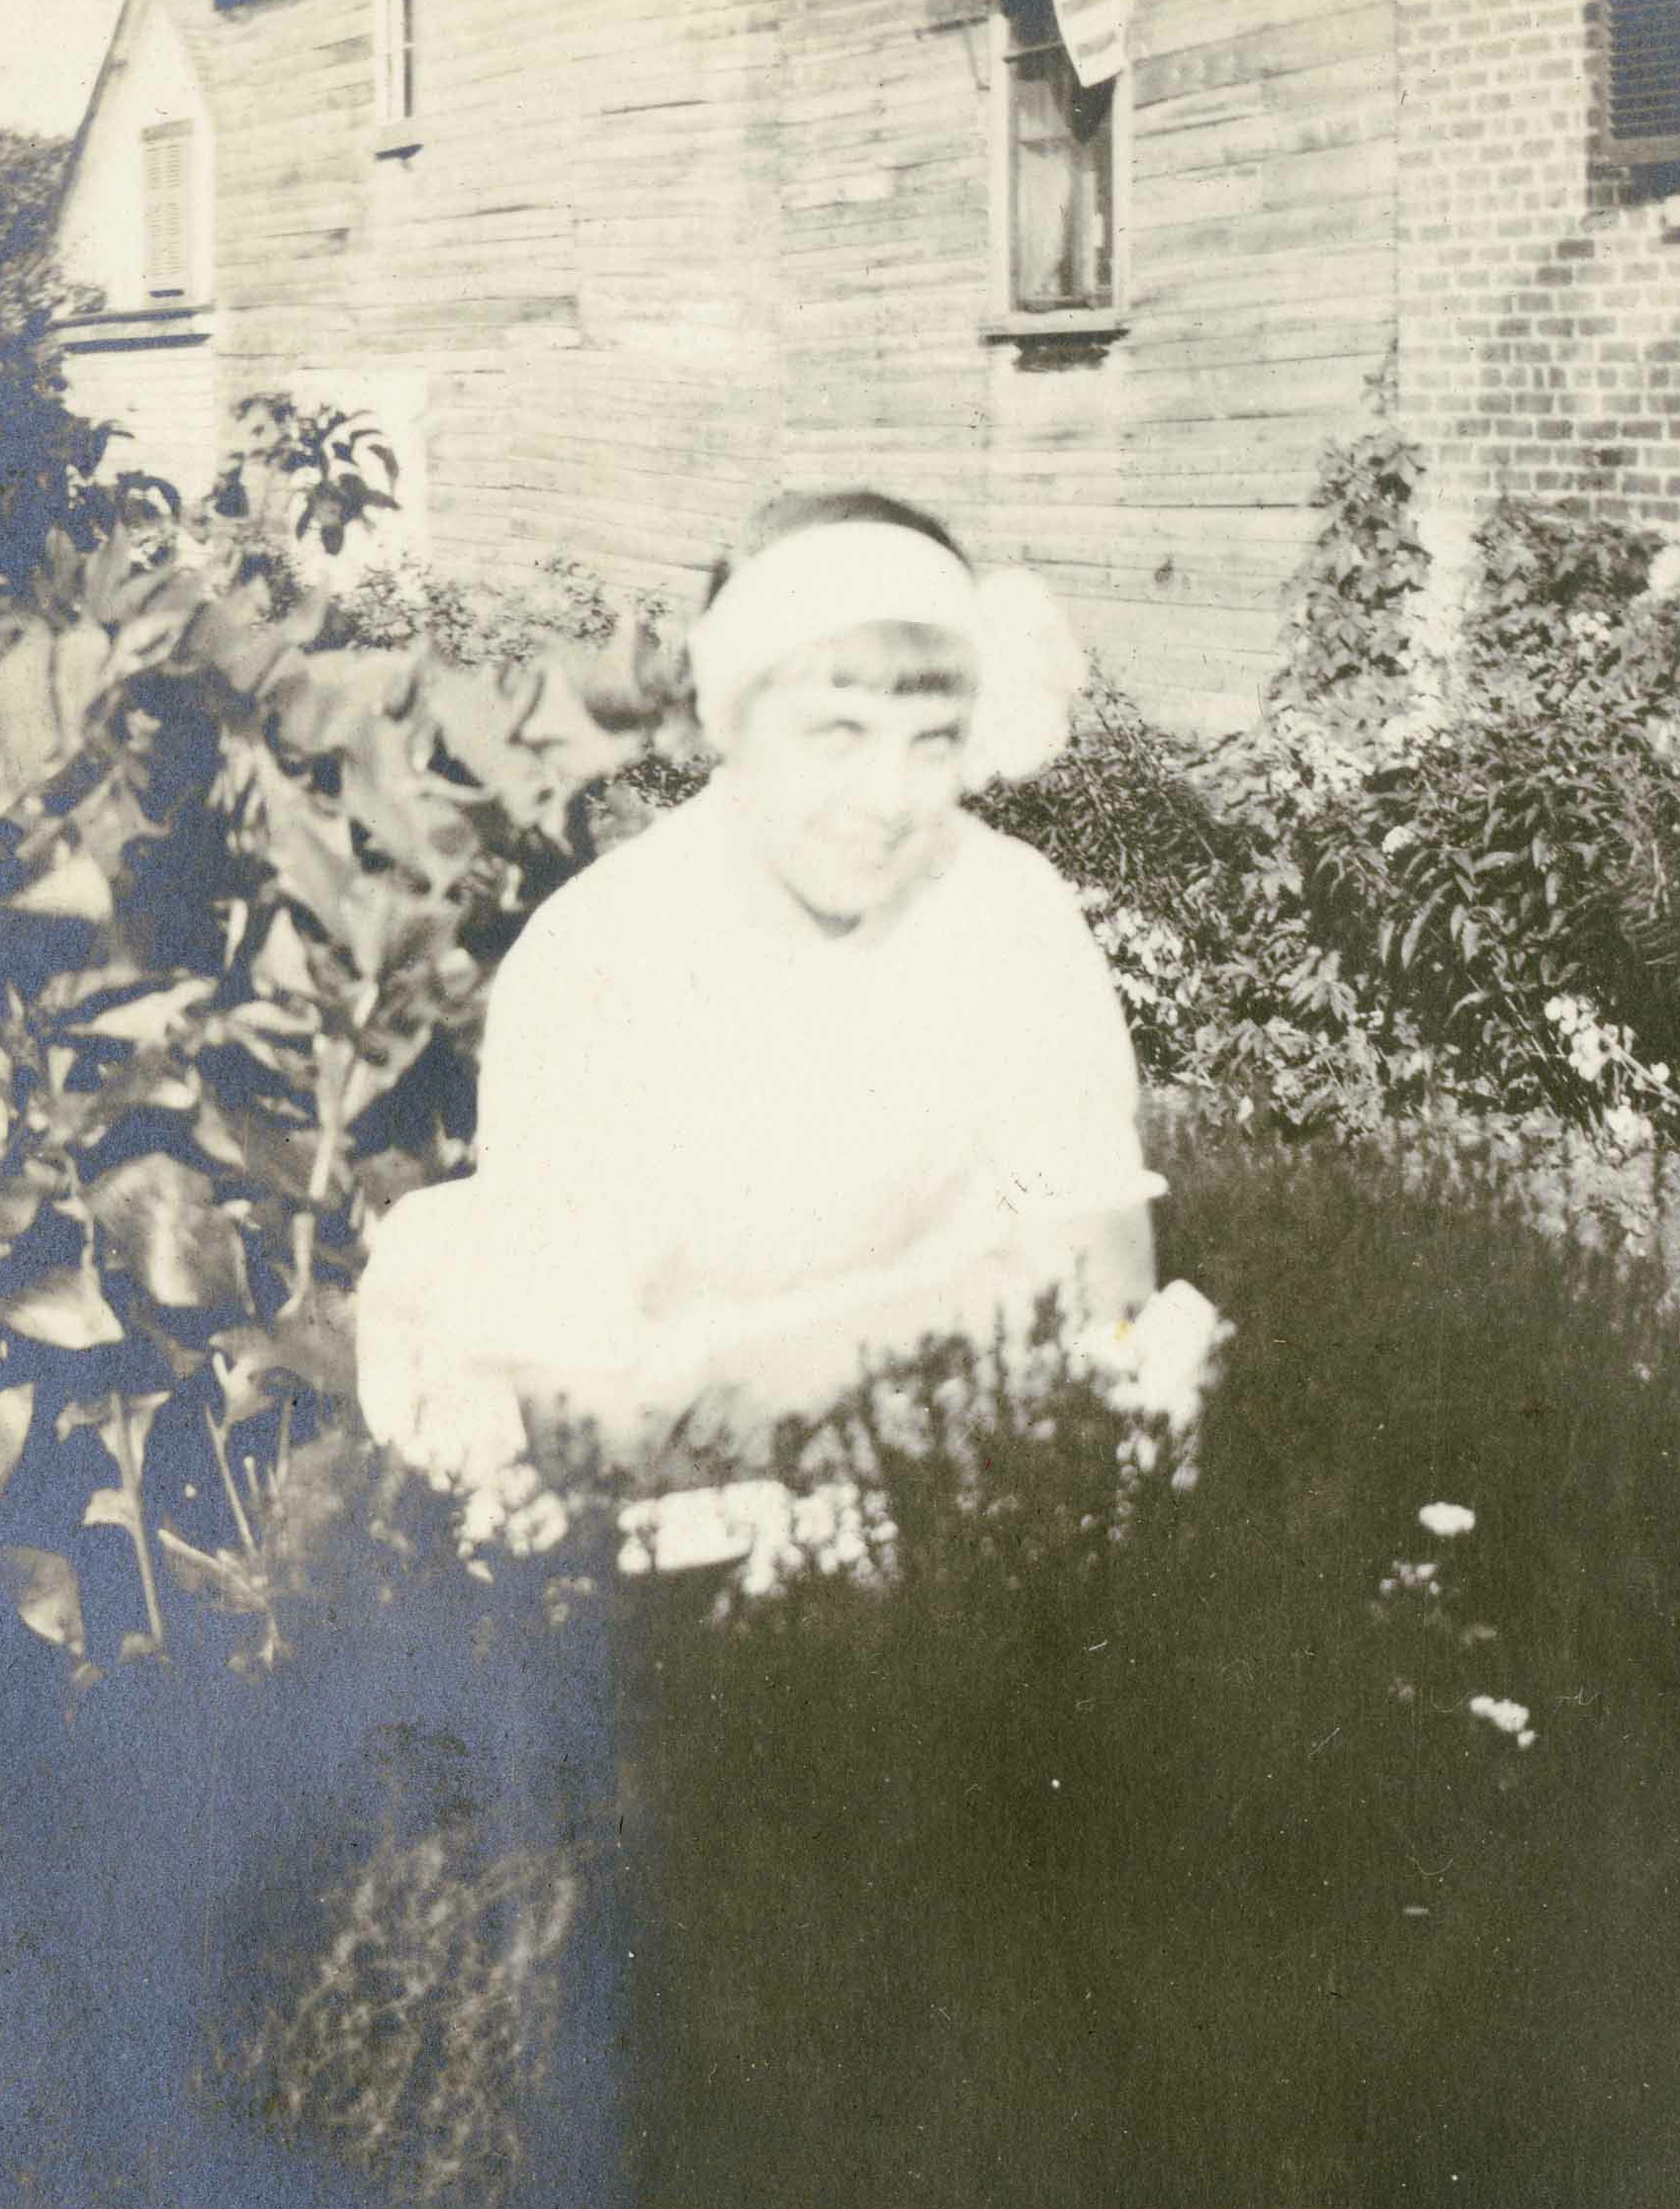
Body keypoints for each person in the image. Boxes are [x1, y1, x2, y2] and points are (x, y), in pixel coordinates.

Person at [355, 490, 1223, 1563]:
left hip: (942, 1467)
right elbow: (591, 1416)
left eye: (933, 742)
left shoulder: (1005, 907)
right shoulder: (603, 954)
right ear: (734, 720)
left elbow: (1098, 1264)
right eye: (837, 735)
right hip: (686, 1520)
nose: (891, 797)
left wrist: (773, 1375)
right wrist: (967, 1318)